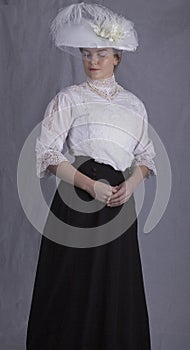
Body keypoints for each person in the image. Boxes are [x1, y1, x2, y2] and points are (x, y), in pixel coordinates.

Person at [26, 3, 156, 349]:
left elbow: (145, 157)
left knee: (115, 287)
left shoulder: (134, 105)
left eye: (101, 54)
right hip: (78, 197)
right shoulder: (69, 98)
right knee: (70, 284)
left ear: (117, 57)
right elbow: (48, 154)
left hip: (117, 202)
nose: (93, 61)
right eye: (86, 54)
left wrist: (130, 184)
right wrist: (89, 185)